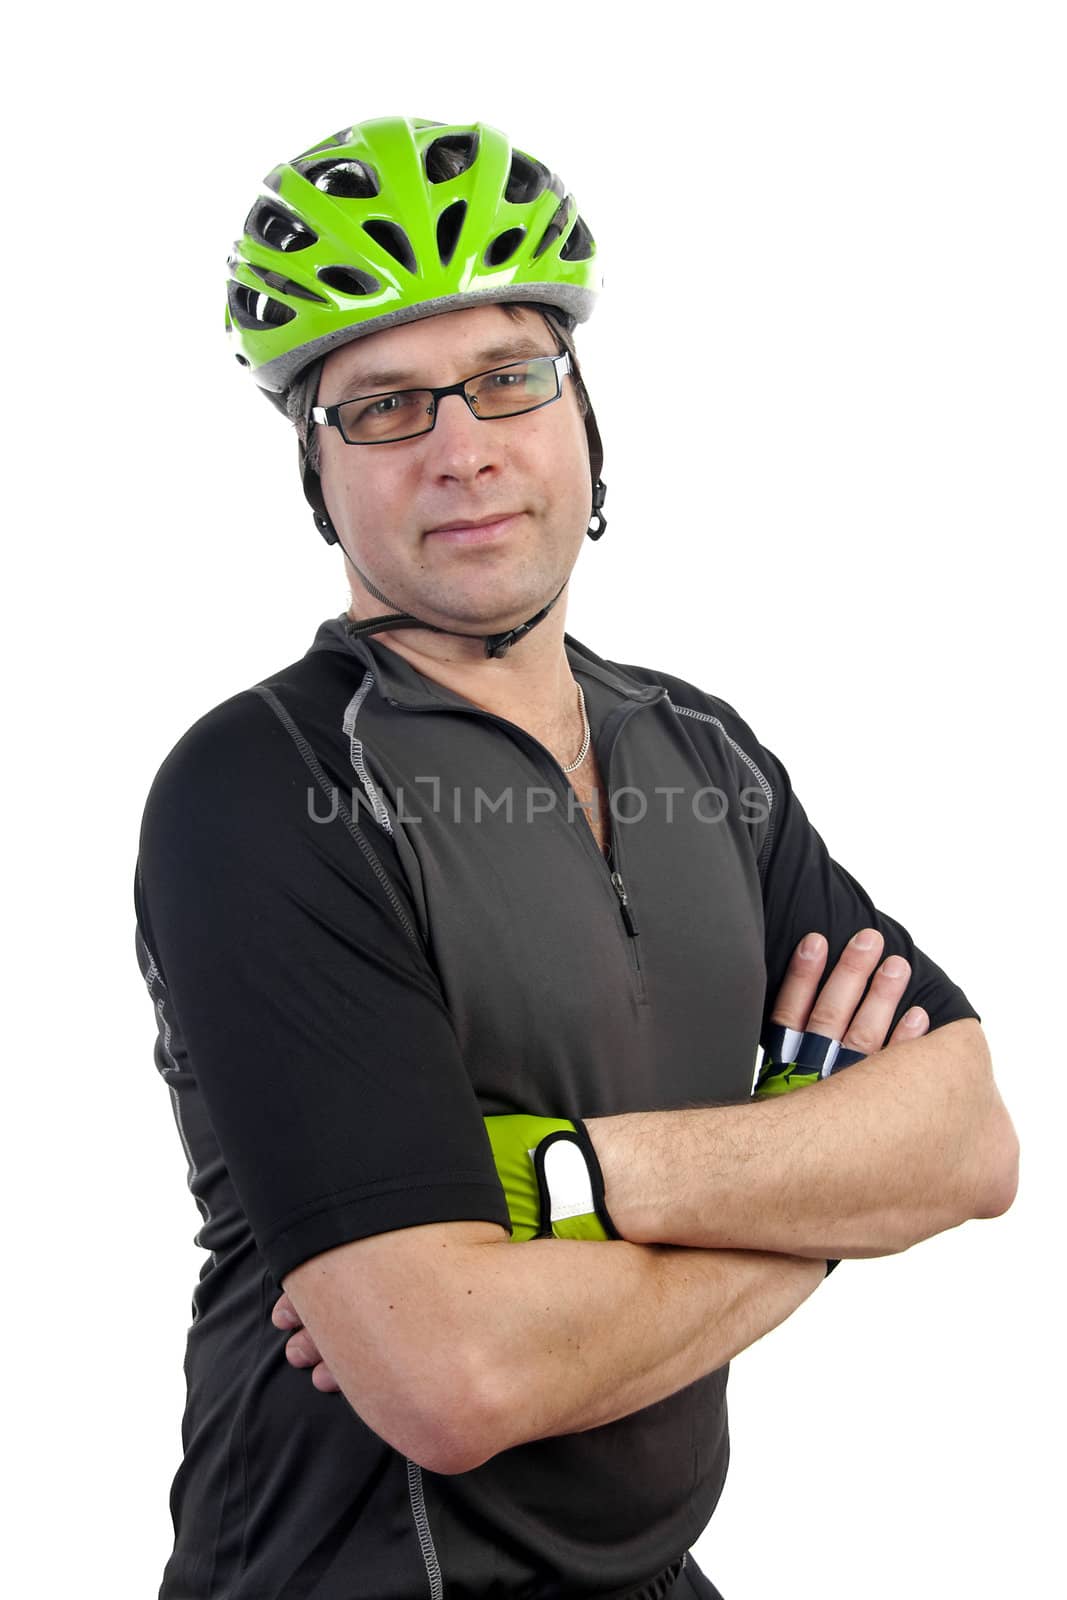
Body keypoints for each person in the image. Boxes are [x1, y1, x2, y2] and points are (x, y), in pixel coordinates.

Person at [134, 115, 1018, 1600]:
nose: (463, 450)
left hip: (657, 1574)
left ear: (582, 410)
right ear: (314, 469)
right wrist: (815, 1192)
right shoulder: (258, 792)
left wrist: (564, 1180)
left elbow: (967, 1140)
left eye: (505, 378)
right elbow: (452, 1376)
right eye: (385, 407)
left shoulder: (704, 756)